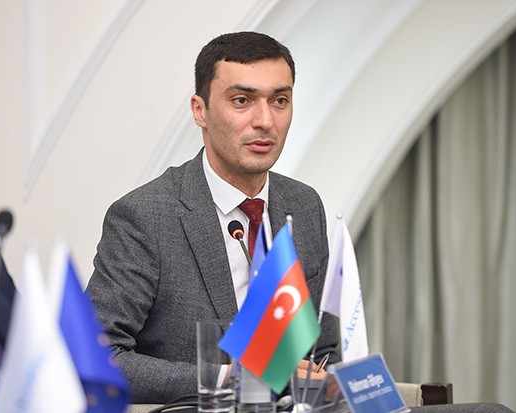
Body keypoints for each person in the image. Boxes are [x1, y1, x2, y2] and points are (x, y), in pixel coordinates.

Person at [86, 31, 340, 404]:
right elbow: (99, 356)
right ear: (200, 110)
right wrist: (230, 379)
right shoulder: (145, 217)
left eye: (280, 101)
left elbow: (324, 349)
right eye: (242, 100)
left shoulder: (303, 205)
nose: (265, 121)